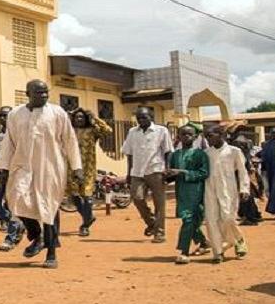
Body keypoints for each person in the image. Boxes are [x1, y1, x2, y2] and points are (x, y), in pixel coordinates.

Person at [0, 80, 82, 269]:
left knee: (48, 208)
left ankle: (51, 253)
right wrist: (2, 168)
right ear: (28, 93)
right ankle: (37, 236)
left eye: (45, 93)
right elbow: (9, 143)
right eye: (38, 93)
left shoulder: (57, 113)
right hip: (22, 165)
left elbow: (69, 140)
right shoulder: (15, 114)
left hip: (50, 166)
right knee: (16, 200)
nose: (43, 96)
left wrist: (77, 167)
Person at [121, 107, 173, 243]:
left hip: (156, 170)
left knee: (159, 204)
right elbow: (129, 154)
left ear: (151, 117)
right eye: (138, 118)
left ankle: (160, 233)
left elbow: (168, 151)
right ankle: (151, 223)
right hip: (137, 172)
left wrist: (167, 169)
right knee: (137, 198)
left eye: (144, 117)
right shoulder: (132, 132)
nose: (141, 120)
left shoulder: (162, 131)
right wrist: (128, 172)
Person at [204, 126, 250, 263]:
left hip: (228, 189)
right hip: (209, 188)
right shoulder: (206, 153)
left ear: (221, 134)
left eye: (210, 135)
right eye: (206, 136)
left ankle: (238, 239)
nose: (207, 139)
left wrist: (244, 189)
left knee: (228, 218)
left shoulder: (234, 151)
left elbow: (242, 171)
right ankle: (218, 252)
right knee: (212, 220)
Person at [164, 125, 209, 265]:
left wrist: (183, 172)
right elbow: (172, 176)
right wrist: (166, 176)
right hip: (181, 192)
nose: (186, 137)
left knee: (189, 220)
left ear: (195, 137)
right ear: (179, 136)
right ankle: (202, 242)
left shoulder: (200, 154)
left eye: (190, 134)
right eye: (183, 134)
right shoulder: (175, 155)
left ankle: (184, 251)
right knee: (189, 220)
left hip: (196, 192)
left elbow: (204, 173)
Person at [68, 108, 113, 237]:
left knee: (87, 197)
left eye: (82, 117)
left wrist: (95, 118)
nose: (79, 119)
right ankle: (89, 217)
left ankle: (85, 225)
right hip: (71, 169)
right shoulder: (68, 131)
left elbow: (108, 130)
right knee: (74, 197)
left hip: (88, 169)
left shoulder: (92, 131)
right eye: (77, 117)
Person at [0, 105, 24, 251]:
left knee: (13, 206)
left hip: (14, 173)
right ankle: (17, 223)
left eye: (7, 115)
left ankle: (10, 238)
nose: (4, 118)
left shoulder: (19, 134)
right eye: (1, 116)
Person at [232, 133, 263, 225]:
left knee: (245, 197)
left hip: (242, 177)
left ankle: (249, 217)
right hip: (244, 177)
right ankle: (253, 215)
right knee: (248, 197)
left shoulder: (241, 153)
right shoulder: (244, 153)